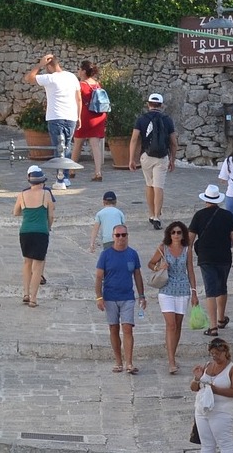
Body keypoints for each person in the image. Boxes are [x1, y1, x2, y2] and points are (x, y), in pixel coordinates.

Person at [148, 221, 201, 374]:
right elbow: (151, 263)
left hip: (183, 289)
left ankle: (173, 354)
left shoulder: (187, 250)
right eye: (173, 232)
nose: (176, 235)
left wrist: (194, 292)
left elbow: (190, 270)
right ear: (169, 234)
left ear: (183, 234)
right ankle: (171, 360)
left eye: (179, 232)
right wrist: (159, 267)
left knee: (178, 325)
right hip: (166, 289)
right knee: (170, 324)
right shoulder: (163, 248)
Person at [188, 184, 233, 329]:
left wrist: (187, 258)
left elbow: (190, 239)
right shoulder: (227, 215)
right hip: (224, 257)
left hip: (205, 258)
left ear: (205, 199)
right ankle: (220, 319)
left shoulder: (199, 215)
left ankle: (212, 327)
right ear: (218, 199)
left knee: (210, 290)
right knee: (222, 287)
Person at [23, 53, 80, 188]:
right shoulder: (72, 77)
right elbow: (79, 98)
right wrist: (79, 116)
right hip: (71, 116)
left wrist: (39, 65)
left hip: (56, 117)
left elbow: (28, 78)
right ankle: (65, 177)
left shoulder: (50, 78)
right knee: (66, 146)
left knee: (58, 147)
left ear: (49, 66)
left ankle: (61, 179)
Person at [95, 224, 146, 374]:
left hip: (127, 297)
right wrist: (99, 297)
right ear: (113, 237)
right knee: (113, 328)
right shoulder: (105, 255)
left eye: (124, 235)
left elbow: (137, 275)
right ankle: (118, 361)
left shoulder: (132, 254)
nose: (121, 238)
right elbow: (99, 277)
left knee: (128, 328)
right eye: (118, 235)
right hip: (110, 297)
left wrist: (141, 295)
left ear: (127, 236)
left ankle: (129, 363)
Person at [128, 93, 176, 228]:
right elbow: (173, 142)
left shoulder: (141, 119)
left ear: (148, 104)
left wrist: (132, 159)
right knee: (159, 186)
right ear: (161, 105)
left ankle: (150, 213)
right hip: (162, 157)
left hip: (146, 156)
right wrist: (173, 159)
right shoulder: (167, 120)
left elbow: (134, 139)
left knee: (149, 185)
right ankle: (157, 216)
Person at [190, 338, 233, 452]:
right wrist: (197, 378)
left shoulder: (232, 369)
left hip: (221, 411)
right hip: (202, 410)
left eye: (217, 353)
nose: (214, 356)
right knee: (206, 445)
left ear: (225, 352)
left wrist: (216, 390)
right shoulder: (207, 365)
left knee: (225, 443)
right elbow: (194, 388)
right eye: (212, 353)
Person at [13, 166, 54, 306]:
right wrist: (48, 226)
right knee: (37, 266)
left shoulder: (22, 195)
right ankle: (33, 298)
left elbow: (16, 212)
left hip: (25, 231)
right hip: (41, 232)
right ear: (42, 182)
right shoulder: (46, 195)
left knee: (27, 262)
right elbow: (51, 215)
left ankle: (25, 293)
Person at [72, 59, 109, 180]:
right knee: (95, 145)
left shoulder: (81, 85)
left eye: (79, 69)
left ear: (83, 71)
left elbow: (77, 101)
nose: (78, 71)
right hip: (98, 116)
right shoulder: (97, 84)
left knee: (77, 143)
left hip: (85, 116)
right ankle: (98, 172)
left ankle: (71, 170)